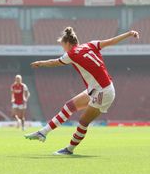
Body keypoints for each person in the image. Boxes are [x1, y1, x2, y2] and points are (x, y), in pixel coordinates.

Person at [25, 26, 139, 155]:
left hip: (103, 91)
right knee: (69, 106)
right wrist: (128, 34)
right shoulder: (91, 44)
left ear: (68, 43)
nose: (63, 49)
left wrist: (40, 63)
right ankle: (43, 132)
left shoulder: (71, 54)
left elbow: (55, 62)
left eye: (63, 46)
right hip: (97, 89)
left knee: (83, 121)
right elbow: (111, 41)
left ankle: (69, 149)